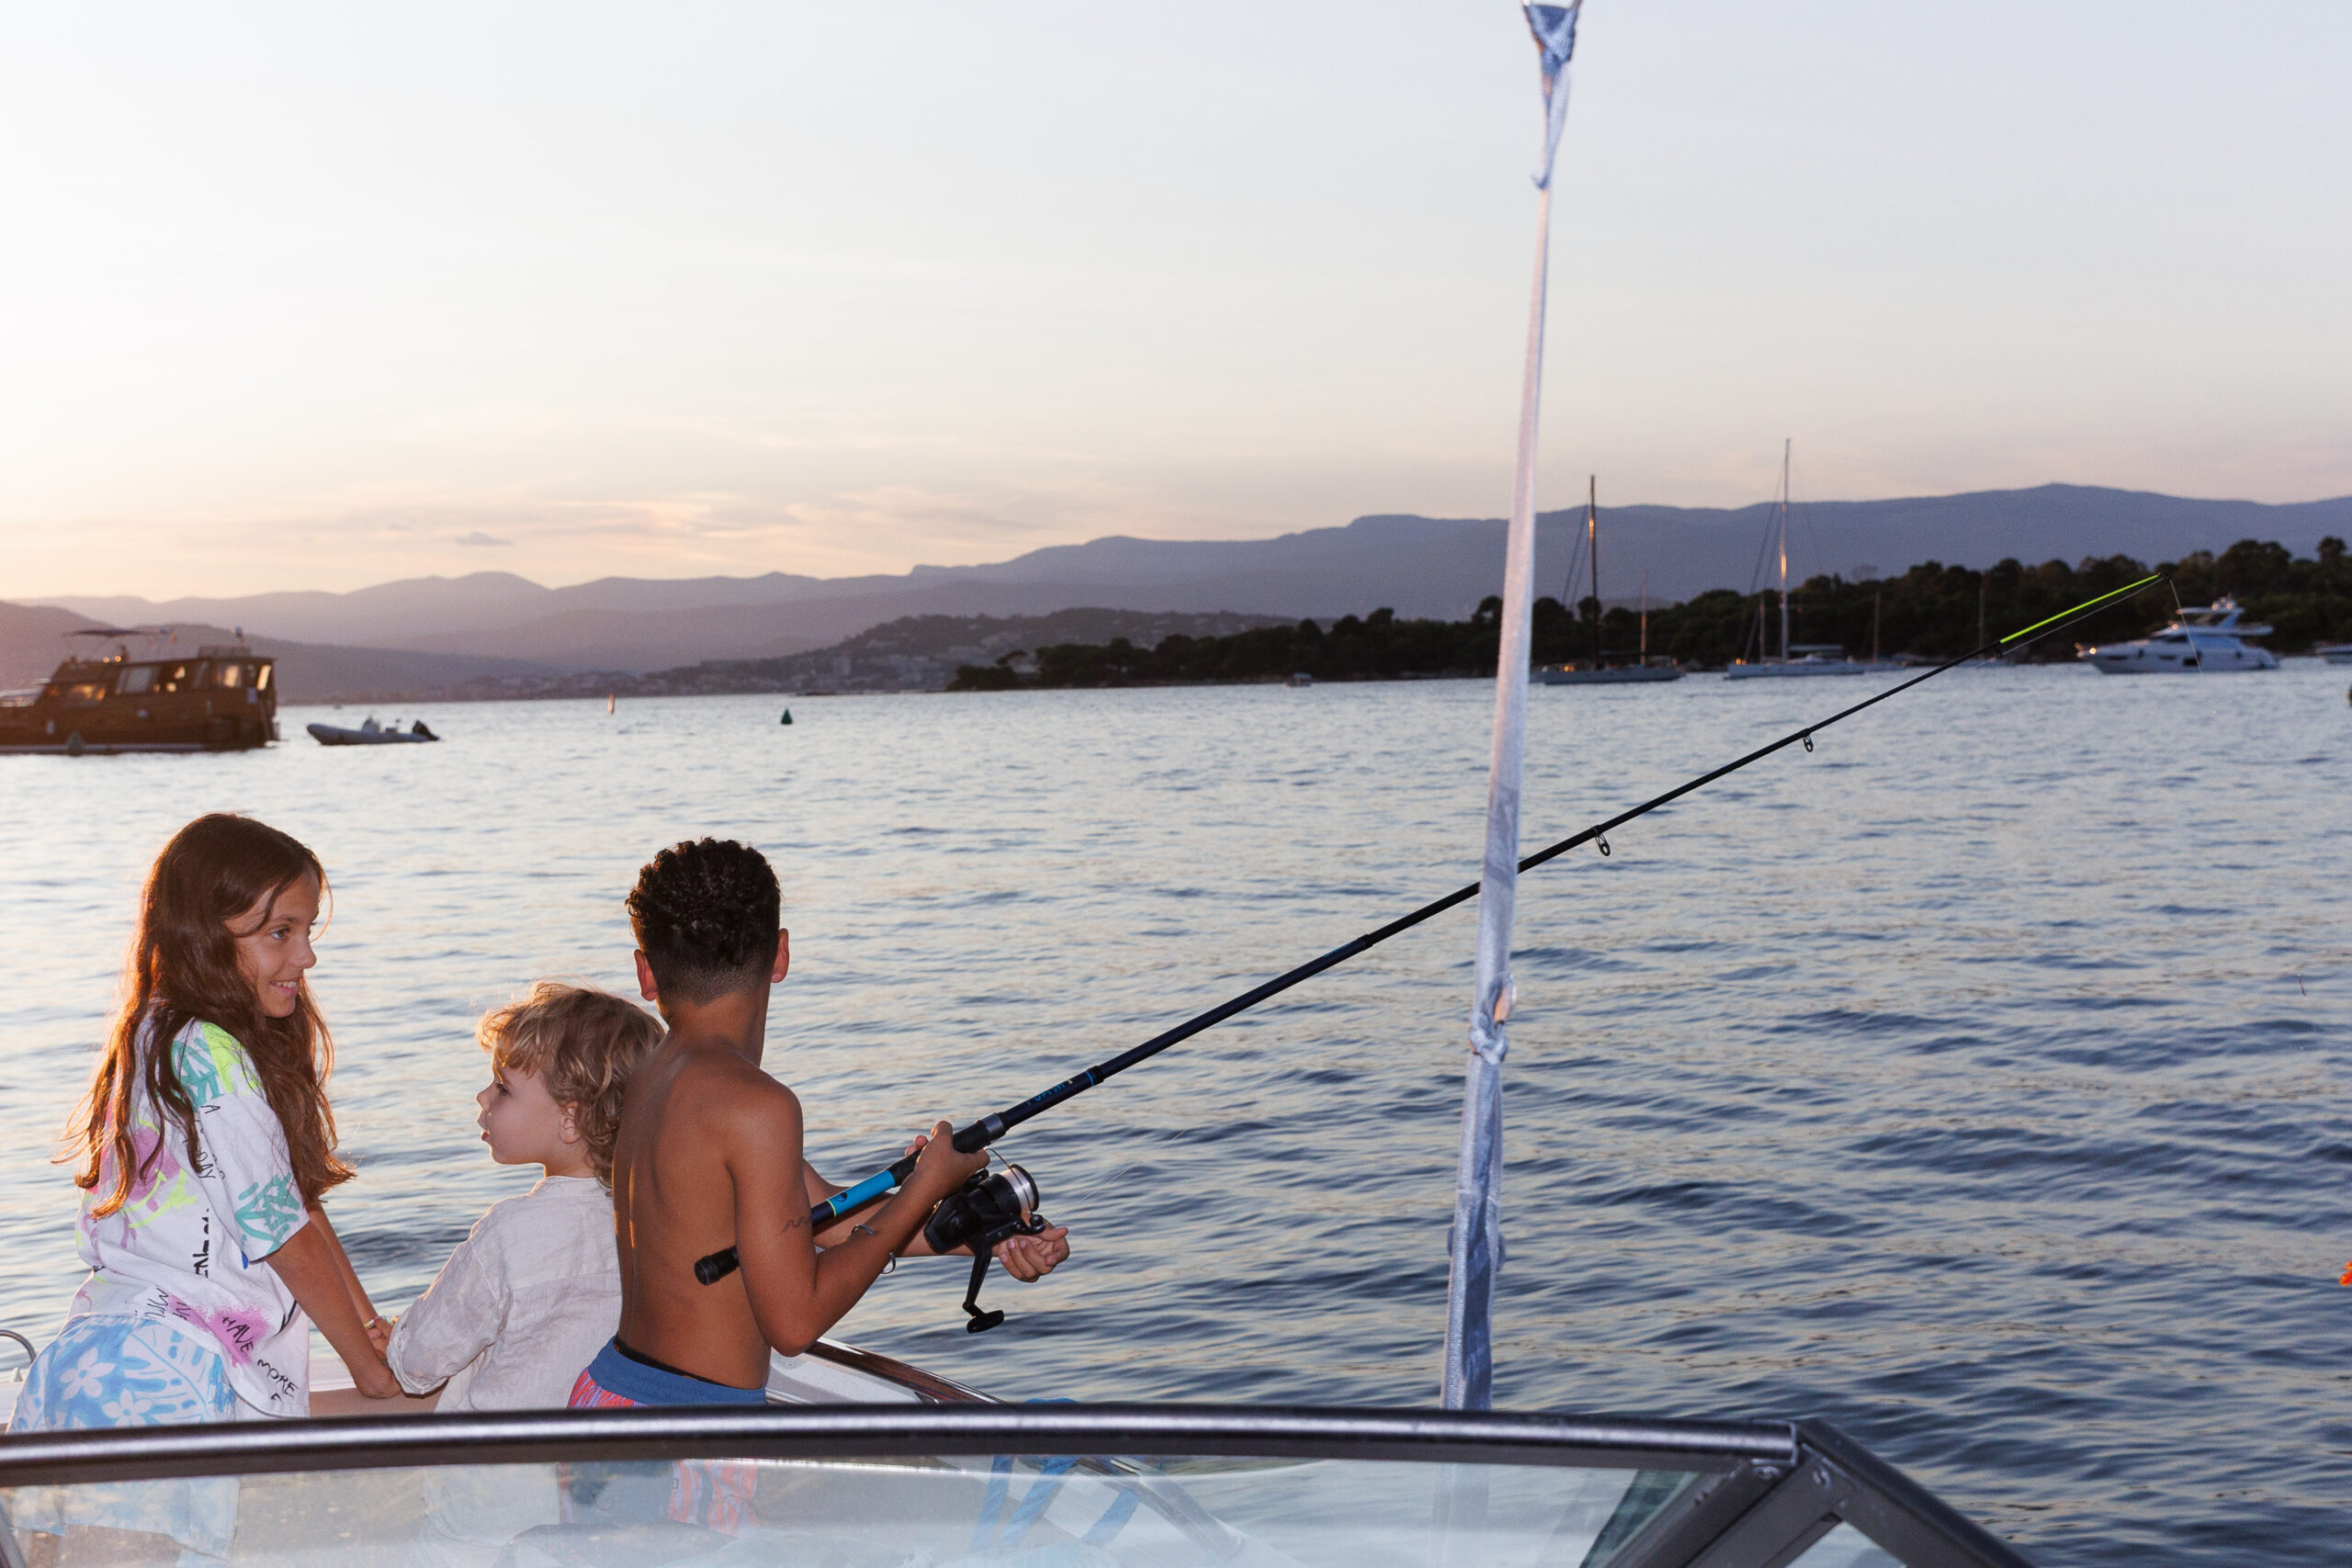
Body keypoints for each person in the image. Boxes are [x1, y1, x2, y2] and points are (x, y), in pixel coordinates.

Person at [8, 813, 399, 1567]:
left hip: (92, 1362)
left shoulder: (155, 1034)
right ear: (204, 935)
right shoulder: (213, 1055)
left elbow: (298, 1204)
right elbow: (284, 1235)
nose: (306, 954)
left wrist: (372, 1321)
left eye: (308, 929)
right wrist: (371, 1369)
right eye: (279, 932)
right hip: (157, 1385)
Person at [571, 838, 1071, 1410]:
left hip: (609, 1397)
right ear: (781, 955)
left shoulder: (655, 1074)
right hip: (688, 1431)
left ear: (646, 971)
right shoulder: (756, 1105)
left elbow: (821, 1222)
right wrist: (925, 1187)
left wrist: (975, 1233)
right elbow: (795, 1322)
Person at [384, 982, 664, 1568]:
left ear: (571, 1121)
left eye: (503, 1089)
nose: (483, 1098)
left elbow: (416, 1365)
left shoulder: (513, 1232)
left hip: (489, 1501)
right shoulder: (657, 1222)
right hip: (600, 1497)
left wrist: (394, 1338)